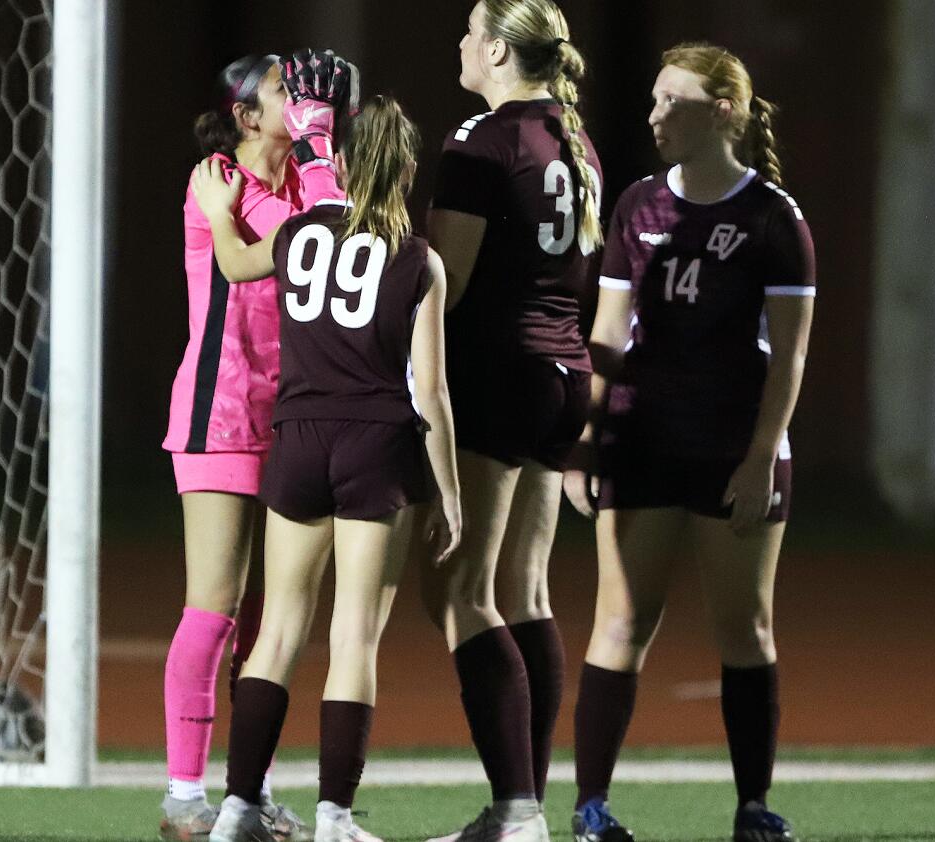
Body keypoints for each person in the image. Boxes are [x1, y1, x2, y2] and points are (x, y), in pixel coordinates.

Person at [191, 93, 462, 842]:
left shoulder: (300, 229)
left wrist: (219, 210)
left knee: (278, 630)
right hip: (375, 444)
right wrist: (448, 491)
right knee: (353, 638)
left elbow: (235, 262)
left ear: (338, 165)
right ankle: (335, 817)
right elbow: (429, 392)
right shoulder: (418, 259)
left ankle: (239, 806)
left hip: (300, 438)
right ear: (408, 170)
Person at [565, 42, 815, 842]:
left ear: (724, 112)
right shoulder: (637, 203)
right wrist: (588, 438)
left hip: (731, 446)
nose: (654, 115)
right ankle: (591, 808)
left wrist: (758, 458)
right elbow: (605, 331)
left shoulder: (774, 218)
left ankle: (751, 807)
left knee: (746, 628)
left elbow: (791, 357)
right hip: (641, 441)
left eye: (673, 101)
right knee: (620, 623)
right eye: (653, 98)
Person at [160, 50, 353, 842]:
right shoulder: (219, 179)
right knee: (212, 609)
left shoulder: (299, 181)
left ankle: (248, 791)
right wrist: (318, 159)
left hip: (288, 415)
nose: (301, 98)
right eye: (284, 91)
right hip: (219, 410)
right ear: (245, 116)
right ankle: (181, 797)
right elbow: (313, 242)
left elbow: (336, 236)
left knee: (267, 622)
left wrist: (316, 153)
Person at [422, 2, 603, 841]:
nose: (460, 44)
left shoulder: (480, 139)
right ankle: (521, 806)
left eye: (469, 32)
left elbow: (445, 286)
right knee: (524, 591)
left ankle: (517, 807)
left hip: (499, 373)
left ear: (497, 49)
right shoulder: (575, 138)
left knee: (460, 590)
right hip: (564, 374)